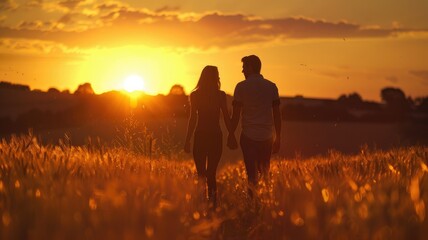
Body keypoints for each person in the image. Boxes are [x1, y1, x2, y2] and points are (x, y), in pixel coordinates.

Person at [228, 55, 281, 190]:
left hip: (248, 136)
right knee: (264, 173)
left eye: (244, 67)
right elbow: (277, 114)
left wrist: (231, 134)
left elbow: (236, 115)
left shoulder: (240, 87)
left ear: (250, 67)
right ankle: (265, 203)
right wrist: (278, 137)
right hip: (267, 137)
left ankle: (253, 204)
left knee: (251, 175)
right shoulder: (272, 87)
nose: (242, 71)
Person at [184, 65, 233, 207]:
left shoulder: (195, 95)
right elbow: (225, 117)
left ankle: (200, 206)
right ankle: (213, 206)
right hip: (216, 137)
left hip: (200, 137)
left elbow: (193, 119)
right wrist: (231, 134)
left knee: (201, 175)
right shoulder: (220, 95)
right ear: (215, 77)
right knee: (211, 174)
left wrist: (187, 140)